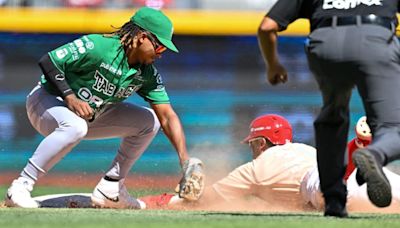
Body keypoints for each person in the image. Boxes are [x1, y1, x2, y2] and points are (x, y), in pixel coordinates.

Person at [4, 7, 204, 209]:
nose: (161, 54)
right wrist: (70, 96)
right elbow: (49, 61)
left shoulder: (146, 73)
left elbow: (167, 116)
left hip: (89, 115)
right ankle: (20, 187)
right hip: (47, 102)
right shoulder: (100, 45)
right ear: (142, 37)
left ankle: (111, 187)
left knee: (149, 121)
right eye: (160, 47)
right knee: (75, 127)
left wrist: (184, 160)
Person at [257, 0, 400, 217]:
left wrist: (273, 65)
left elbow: (267, 27)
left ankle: (333, 200)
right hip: (376, 39)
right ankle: (374, 154)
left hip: (326, 43)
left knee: (333, 117)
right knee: (392, 127)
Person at [139, 115, 400, 213]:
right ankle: (358, 151)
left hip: (317, 184)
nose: (252, 148)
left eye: (253, 142)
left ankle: (356, 151)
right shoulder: (303, 148)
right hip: (337, 170)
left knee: (333, 191)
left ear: (262, 142)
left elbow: (204, 199)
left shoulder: (257, 168)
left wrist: (155, 201)